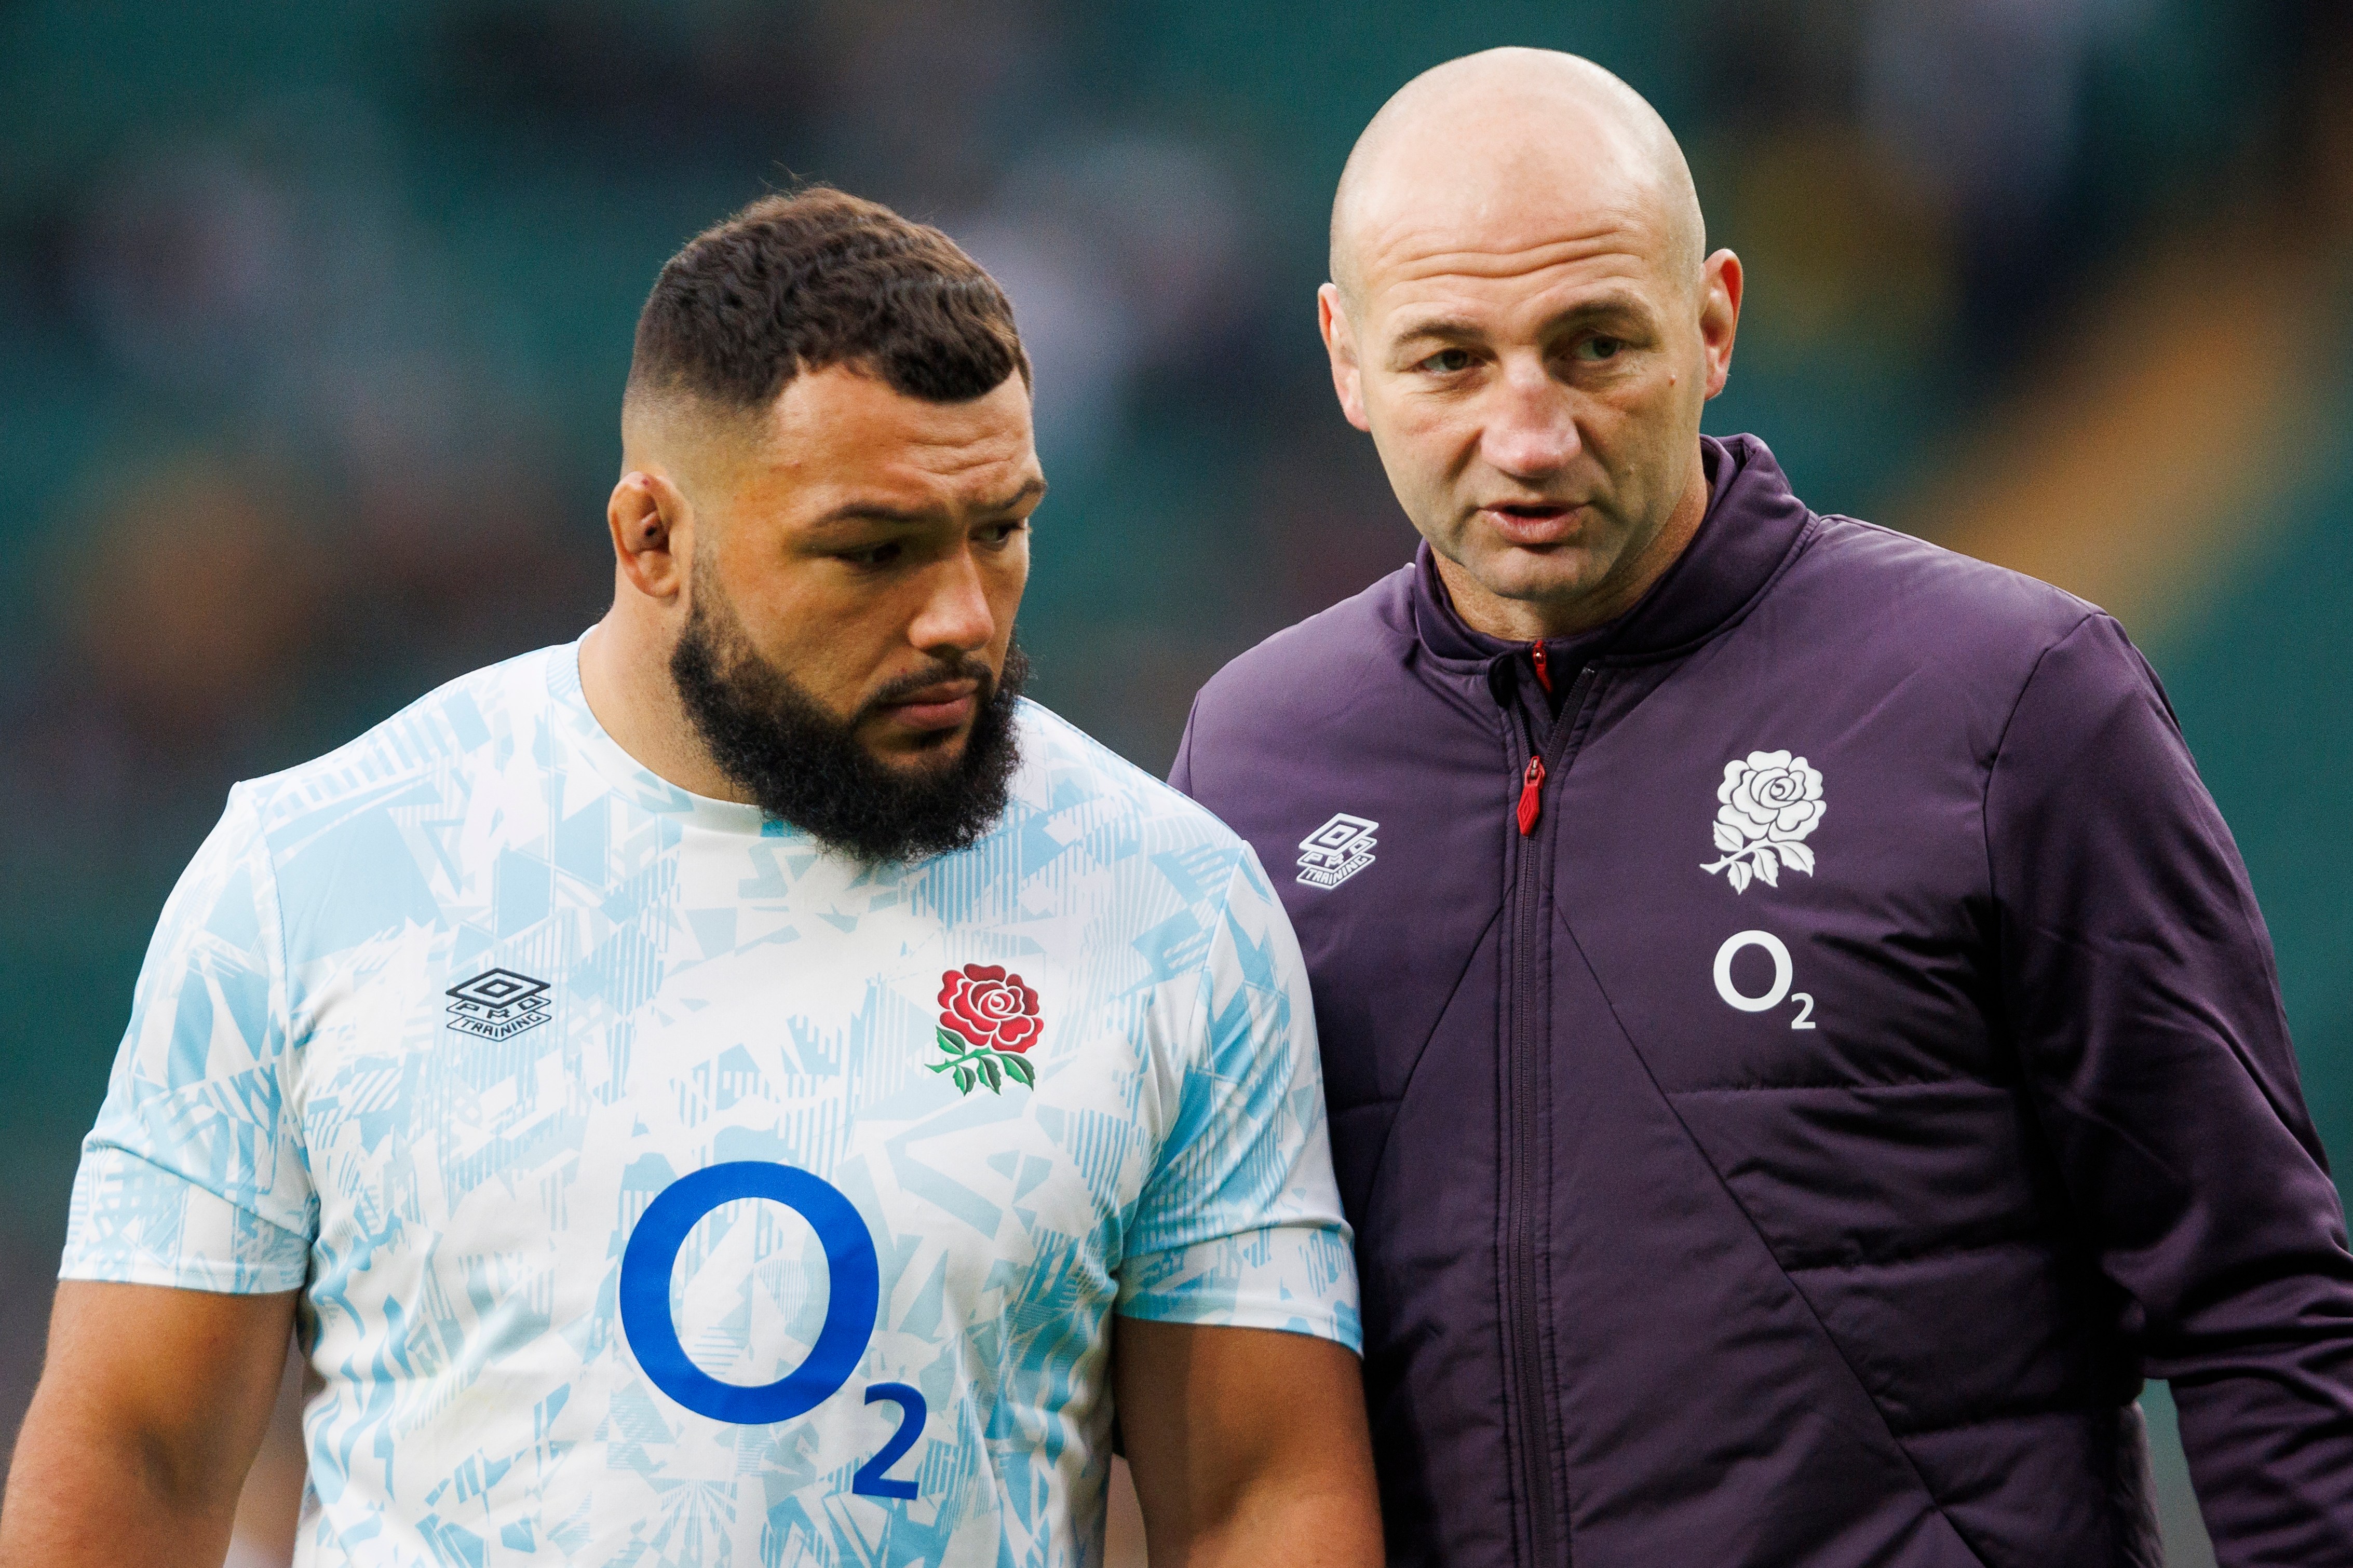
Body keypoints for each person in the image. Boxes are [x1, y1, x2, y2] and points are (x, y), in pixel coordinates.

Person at [1, 188, 1381, 1568]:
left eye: (999, 529)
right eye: (872, 550)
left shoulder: (1167, 906)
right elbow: (134, 1456)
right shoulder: (317, 873)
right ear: (651, 539)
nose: (961, 613)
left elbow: (1261, 1501)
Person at [1171, 47, 2353, 1568]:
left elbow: (2258, 1300)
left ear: (1713, 319)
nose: (1526, 436)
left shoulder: (2012, 699)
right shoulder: (1255, 754)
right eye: (1448, 360)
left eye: (1594, 346)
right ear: (1344, 356)